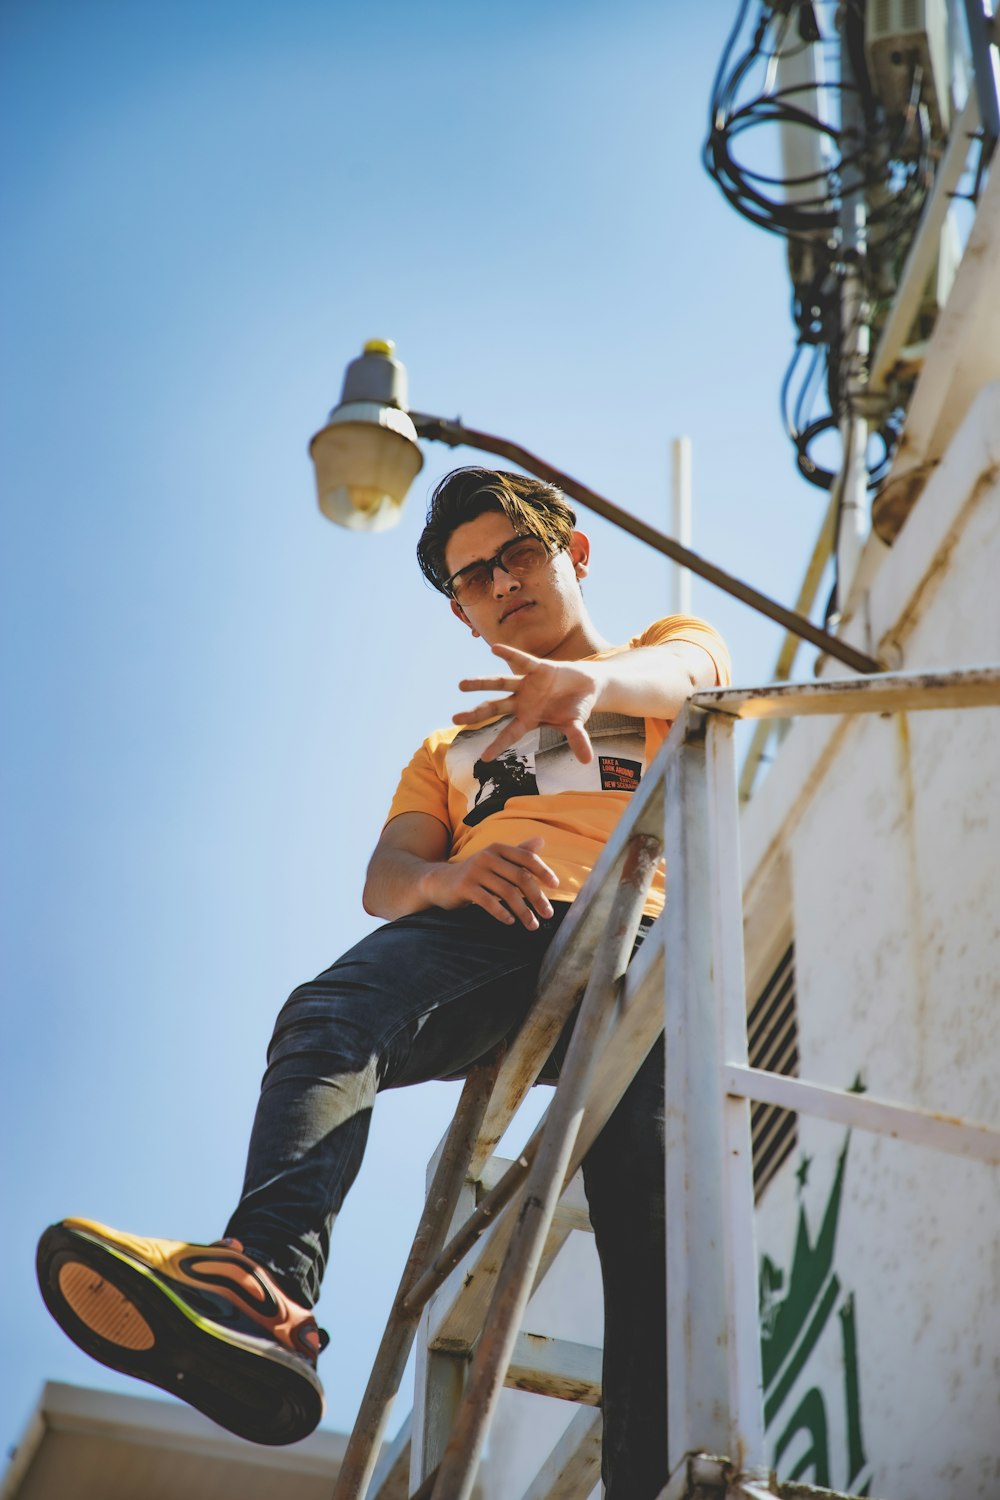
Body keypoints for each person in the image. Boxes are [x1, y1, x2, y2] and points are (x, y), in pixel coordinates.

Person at [37, 467, 730, 1499]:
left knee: (648, 1241)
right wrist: (451, 874)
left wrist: (587, 684)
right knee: (329, 1013)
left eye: (518, 555)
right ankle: (263, 1284)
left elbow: (692, 672)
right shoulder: (448, 750)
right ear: (459, 610)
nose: (500, 583)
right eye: (474, 577)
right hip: (502, 928)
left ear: (572, 553)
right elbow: (384, 879)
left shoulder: (659, 654)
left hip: (642, 937)